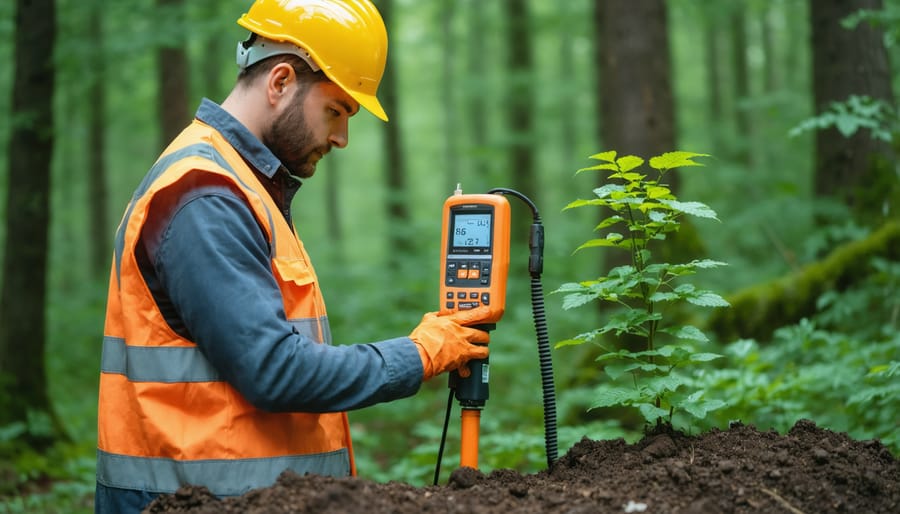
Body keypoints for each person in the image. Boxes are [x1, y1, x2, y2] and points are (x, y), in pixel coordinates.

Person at [94, 1, 491, 512]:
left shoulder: (244, 186)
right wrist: (417, 354)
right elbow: (274, 369)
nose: (342, 138)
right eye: (335, 110)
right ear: (280, 81)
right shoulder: (207, 196)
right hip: (192, 500)